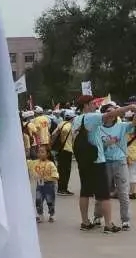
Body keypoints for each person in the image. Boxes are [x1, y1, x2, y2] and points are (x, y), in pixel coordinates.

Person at [72, 96, 134, 233]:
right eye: (92, 103)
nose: (95, 106)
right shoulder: (90, 117)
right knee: (104, 194)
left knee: (85, 192)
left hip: (84, 161)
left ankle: (85, 222)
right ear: (86, 105)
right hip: (96, 161)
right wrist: (130, 107)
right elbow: (110, 115)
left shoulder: (76, 119)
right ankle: (108, 225)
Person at [92, 102, 135, 231]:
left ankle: (125, 220)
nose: (112, 114)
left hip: (120, 162)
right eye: (109, 112)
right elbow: (96, 146)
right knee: (103, 192)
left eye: (114, 111)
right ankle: (97, 216)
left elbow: (133, 124)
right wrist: (107, 144)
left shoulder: (122, 126)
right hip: (104, 163)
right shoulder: (98, 128)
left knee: (123, 192)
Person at [31, 144, 59, 223]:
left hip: (49, 186)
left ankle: (52, 215)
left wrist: (47, 178)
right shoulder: (35, 163)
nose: (40, 153)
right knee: (38, 200)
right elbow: (28, 163)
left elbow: (55, 176)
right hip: (39, 185)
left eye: (42, 152)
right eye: (39, 152)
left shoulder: (51, 164)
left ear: (47, 154)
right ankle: (40, 215)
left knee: (50, 201)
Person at [52, 111, 75, 195]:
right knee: (66, 171)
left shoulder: (61, 124)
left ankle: (61, 188)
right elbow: (71, 136)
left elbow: (53, 134)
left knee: (61, 170)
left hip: (60, 149)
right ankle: (63, 189)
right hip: (67, 149)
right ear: (72, 118)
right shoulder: (69, 126)